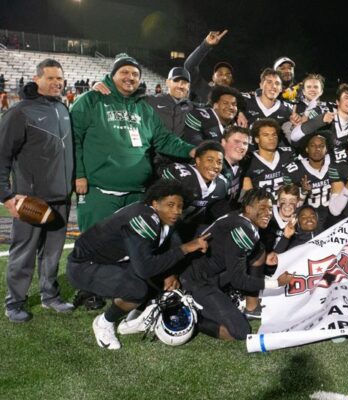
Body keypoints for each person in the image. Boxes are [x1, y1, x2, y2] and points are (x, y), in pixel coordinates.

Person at [67, 180, 210, 349]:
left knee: (160, 280)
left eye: (180, 206)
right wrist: (185, 249)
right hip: (83, 267)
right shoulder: (144, 219)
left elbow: (168, 244)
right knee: (137, 289)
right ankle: (104, 322)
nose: (176, 211)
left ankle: (134, 316)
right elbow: (145, 268)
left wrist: (168, 272)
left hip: (111, 260)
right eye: (170, 205)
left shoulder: (159, 216)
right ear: (155, 203)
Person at [70, 53, 195, 233]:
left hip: (136, 193)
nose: (130, 77)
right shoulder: (91, 99)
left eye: (135, 74)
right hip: (99, 192)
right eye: (124, 72)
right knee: (96, 246)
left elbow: (163, 139)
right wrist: (79, 174)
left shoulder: (144, 107)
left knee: (131, 249)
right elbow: (74, 139)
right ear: (113, 75)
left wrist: (193, 151)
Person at [0, 59, 74, 322]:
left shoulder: (63, 109)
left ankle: (50, 296)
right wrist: (6, 196)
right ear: (37, 79)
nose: (57, 83)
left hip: (61, 198)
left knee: (52, 254)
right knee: (24, 252)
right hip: (30, 199)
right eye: (51, 78)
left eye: (60, 79)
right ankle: (15, 302)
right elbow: (2, 155)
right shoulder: (20, 111)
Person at [180, 188, 293, 341]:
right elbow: (237, 279)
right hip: (198, 280)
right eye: (262, 208)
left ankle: (251, 307)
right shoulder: (243, 229)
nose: (268, 212)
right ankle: (187, 311)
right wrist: (276, 283)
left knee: (259, 251)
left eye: (269, 208)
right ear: (248, 209)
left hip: (209, 270)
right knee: (240, 331)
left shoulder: (240, 218)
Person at [160, 141, 230, 240]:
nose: (215, 166)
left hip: (188, 227)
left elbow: (218, 212)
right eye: (210, 160)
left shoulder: (222, 185)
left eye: (219, 162)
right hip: (162, 222)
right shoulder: (181, 176)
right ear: (198, 160)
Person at [291, 83, 348, 162]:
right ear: (337, 102)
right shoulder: (321, 113)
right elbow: (295, 136)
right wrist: (320, 121)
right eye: (346, 97)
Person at [242, 119, 295, 200]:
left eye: (274, 135)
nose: (271, 138)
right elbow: (249, 198)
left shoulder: (288, 154)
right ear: (256, 139)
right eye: (266, 135)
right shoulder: (248, 160)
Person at [183, 30, 231, 103]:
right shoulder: (203, 89)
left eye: (228, 75)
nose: (224, 77)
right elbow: (189, 66)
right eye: (220, 74)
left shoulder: (236, 100)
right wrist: (206, 44)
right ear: (213, 77)